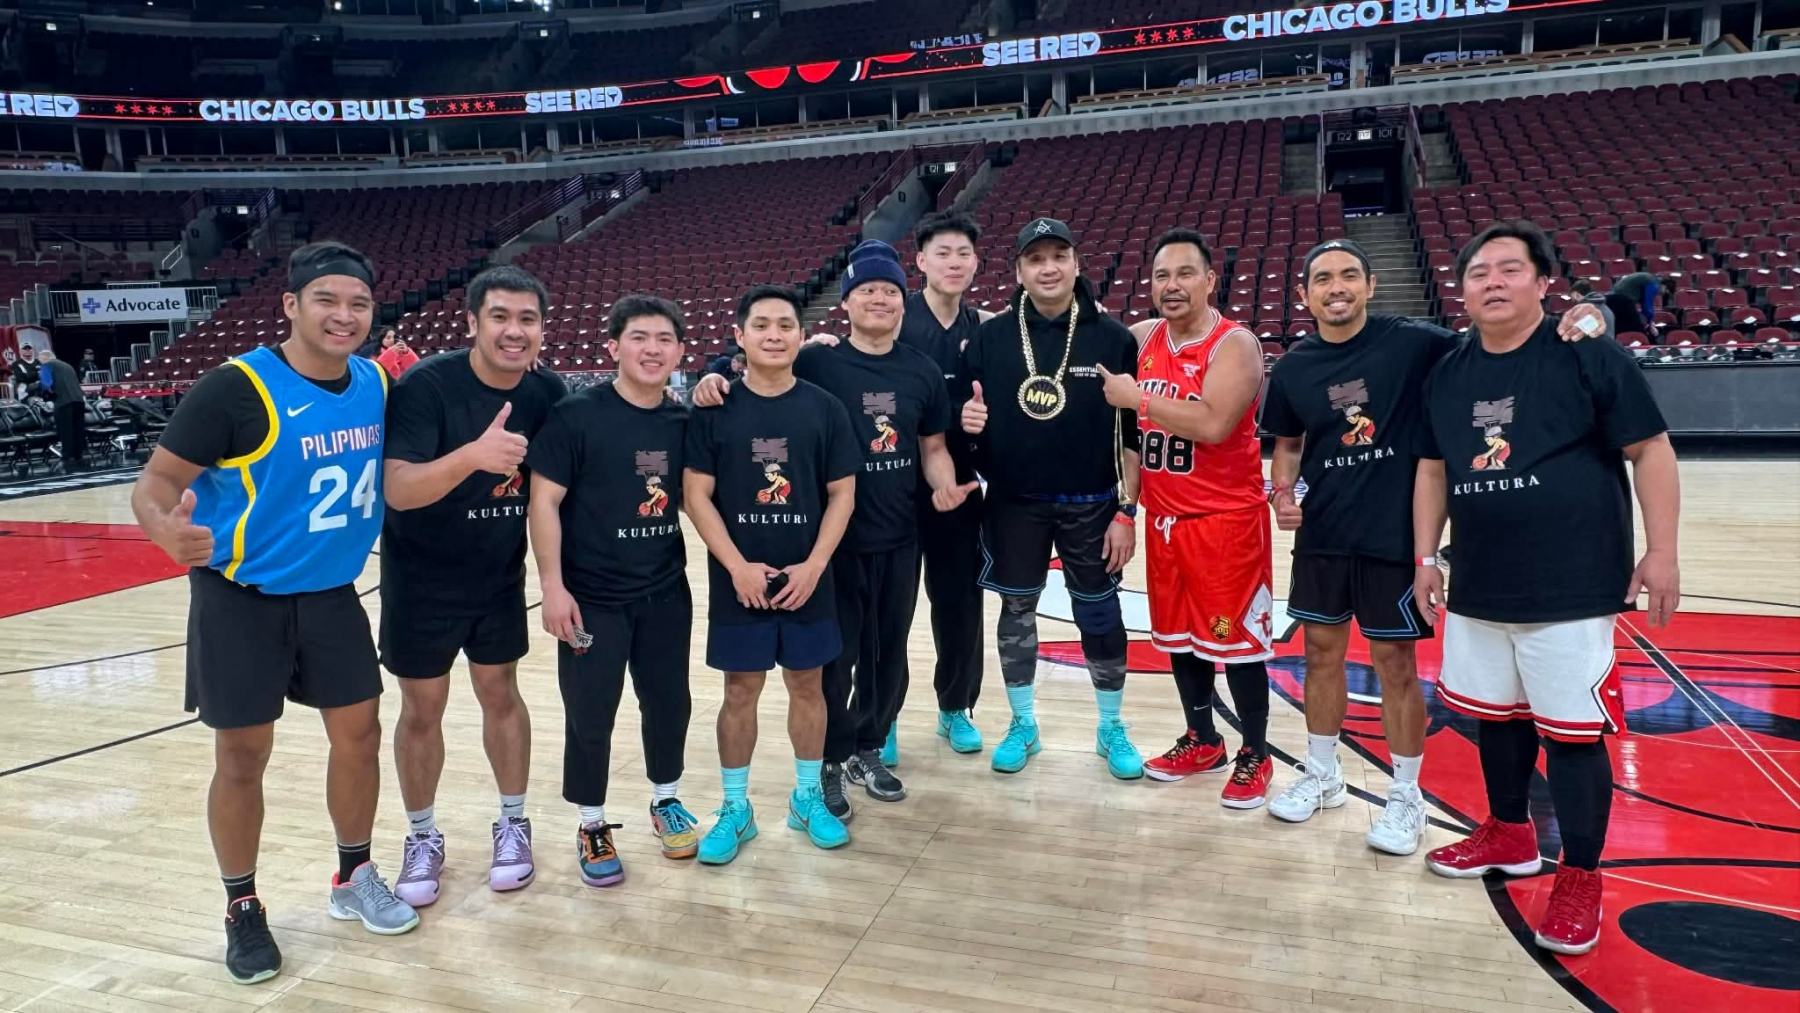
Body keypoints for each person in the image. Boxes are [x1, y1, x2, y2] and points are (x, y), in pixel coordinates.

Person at [129, 241, 416, 987]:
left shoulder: (376, 384)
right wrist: (166, 532)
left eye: (358, 303)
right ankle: (242, 904)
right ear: (290, 305)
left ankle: (354, 874)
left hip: (330, 594)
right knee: (242, 756)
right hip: (240, 599)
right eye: (327, 300)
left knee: (359, 735)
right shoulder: (234, 389)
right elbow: (154, 485)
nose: (343, 315)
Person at [1261, 240, 1609, 850]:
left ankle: (1406, 795)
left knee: (1394, 664)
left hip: (1393, 537)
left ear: (1370, 286)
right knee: (1319, 654)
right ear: (1304, 295)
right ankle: (1321, 773)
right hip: (1323, 536)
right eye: (1323, 279)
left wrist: (1591, 314)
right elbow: (1288, 443)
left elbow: (1502, 338)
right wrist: (1282, 490)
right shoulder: (1293, 367)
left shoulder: (1415, 342)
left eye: (1349, 275)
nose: (1336, 287)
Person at [1413, 220, 1680, 956]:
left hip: (1572, 585)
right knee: (1495, 719)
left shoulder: (1585, 352)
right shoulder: (1448, 369)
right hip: (1479, 579)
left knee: (1571, 733)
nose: (1492, 282)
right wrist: (1425, 557)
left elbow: (1650, 449)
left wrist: (1662, 551)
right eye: (1478, 273)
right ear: (1461, 291)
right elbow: (1433, 468)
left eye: (1509, 269)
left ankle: (1581, 873)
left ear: (1541, 282)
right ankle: (1509, 832)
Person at [692, 242, 972, 818]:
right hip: (831, 543)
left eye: (890, 290)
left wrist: (943, 485)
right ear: (846, 302)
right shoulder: (817, 362)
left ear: (904, 301)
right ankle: (829, 757)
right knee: (831, 661)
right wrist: (712, 376)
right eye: (867, 290)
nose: (879, 299)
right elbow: (756, 371)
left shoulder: (921, 370)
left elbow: (933, 449)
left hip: (900, 536)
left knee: (888, 654)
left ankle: (869, 746)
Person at [378, 265, 566, 908]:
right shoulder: (427, 386)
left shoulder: (547, 393)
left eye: (527, 319)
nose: (514, 331)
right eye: (500, 317)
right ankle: (421, 835)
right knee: (422, 708)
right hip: (420, 579)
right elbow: (397, 489)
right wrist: (472, 457)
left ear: (542, 329)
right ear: (472, 323)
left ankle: (513, 824)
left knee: (501, 693)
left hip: (497, 577)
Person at [959, 217, 1144, 779]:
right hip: (1014, 501)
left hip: (1093, 502)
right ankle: (1023, 723)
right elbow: (965, 417)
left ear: (1077, 264)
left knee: (1099, 611)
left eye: (1059, 256)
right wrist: (968, 422)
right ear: (1018, 270)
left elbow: (1131, 437)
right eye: (1035, 259)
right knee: (1017, 610)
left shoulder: (1113, 338)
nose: (1048, 268)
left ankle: (1111, 725)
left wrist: (1127, 511)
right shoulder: (989, 339)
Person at [681, 285, 859, 865]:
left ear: (802, 336)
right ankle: (736, 808)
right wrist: (736, 567)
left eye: (785, 325)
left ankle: (807, 798)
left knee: (808, 685)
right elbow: (695, 495)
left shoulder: (825, 408)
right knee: (740, 690)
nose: (774, 335)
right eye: (761, 325)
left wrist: (815, 566)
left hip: (808, 578)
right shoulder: (715, 408)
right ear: (739, 335)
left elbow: (843, 494)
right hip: (740, 580)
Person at [1101, 229, 1277, 807]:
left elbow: (1213, 424)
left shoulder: (1235, 344)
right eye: (1161, 276)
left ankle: (1256, 752)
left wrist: (1139, 399)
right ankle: (1203, 738)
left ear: (1210, 280)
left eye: (1184, 274)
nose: (1171, 285)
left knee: (1238, 646)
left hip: (1224, 523)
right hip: (1164, 521)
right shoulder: (1142, 337)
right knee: (1181, 641)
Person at [528, 294, 699, 886]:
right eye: (639, 338)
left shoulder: (683, 422)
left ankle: (666, 799)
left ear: (680, 351)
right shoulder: (576, 416)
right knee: (591, 711)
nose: (652, 349)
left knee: (670, 702)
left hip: (665, 591)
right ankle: (591, 822)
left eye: (664, 339)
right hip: (591, 599)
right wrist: (552, 587)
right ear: (613, 347)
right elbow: (544, 502)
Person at [28, 347, 86, 471]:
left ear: (44, 359)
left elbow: (46, 384)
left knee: (66, 430)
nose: (40, 364)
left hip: (63, 402)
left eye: (40, 361)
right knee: (78, 429)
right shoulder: (68, 366)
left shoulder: (47, 365)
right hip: (79, 401)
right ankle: (78, 456)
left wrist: (35, 389)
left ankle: (66, 458)